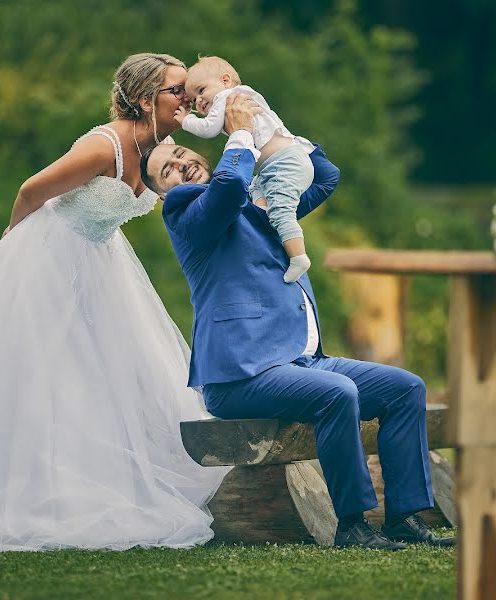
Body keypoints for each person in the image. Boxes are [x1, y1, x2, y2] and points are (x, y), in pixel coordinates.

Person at [0, 53, 230, 553]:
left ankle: (107, 480)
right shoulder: (104, 146)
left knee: (111, 376)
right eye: (177, 90)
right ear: (146, 100)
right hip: (51, 256)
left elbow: (190, 180)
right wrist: (14, 248)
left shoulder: (161, 145)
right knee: (48, 377)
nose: (187, 98)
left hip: (102, 262)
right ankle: (33, 495)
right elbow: (32, 190)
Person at [142, 93, 456, 550]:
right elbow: (227, 189)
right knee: (338, 394)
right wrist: (242, 134)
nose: (181, 164)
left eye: (181, 152)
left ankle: (404, 516)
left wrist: (273, 128)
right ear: (162, 192)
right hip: (239, 376)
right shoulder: (186, 212)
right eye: (166, 170)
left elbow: (325, 178)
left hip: (301, 361)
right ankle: (351, 524)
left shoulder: (259, 202)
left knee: (405, 389)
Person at [174, 56, 314, 283]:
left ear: (226, 80)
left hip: (284, 164)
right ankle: (273, 239)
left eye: (201, 90)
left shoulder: (228, 97)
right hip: (272, 169)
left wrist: (185, 120)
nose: (199, 101)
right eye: (193, 99)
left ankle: (298, 257)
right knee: (258, 201)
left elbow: (208, 129)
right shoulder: (238, 97)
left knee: (281, 210)